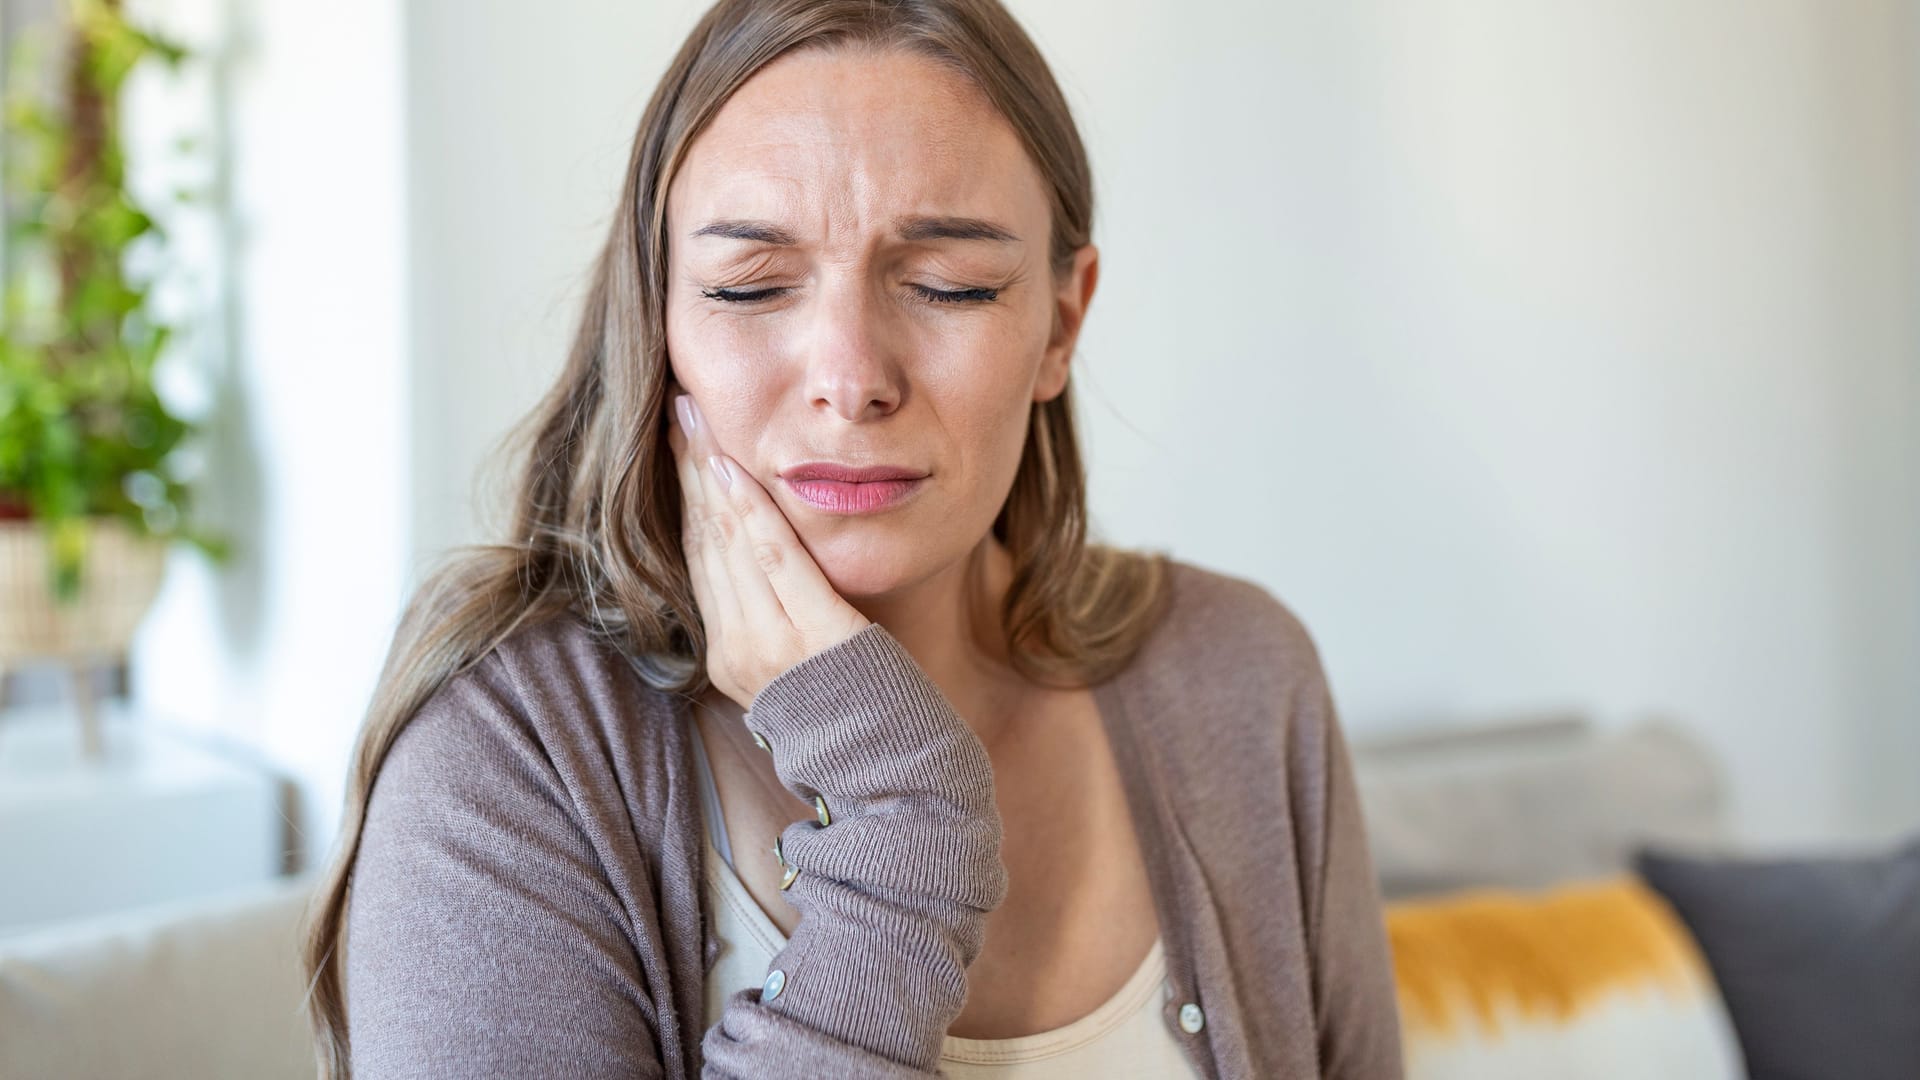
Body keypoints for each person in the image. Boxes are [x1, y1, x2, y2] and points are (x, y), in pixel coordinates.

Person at [299, 1, 1405, 1077]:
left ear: (1061, 324)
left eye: (948, 285)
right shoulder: (509, 753)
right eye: (752, 287)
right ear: (661, 317)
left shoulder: (1243, 678)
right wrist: (902, 815)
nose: (850, 378)